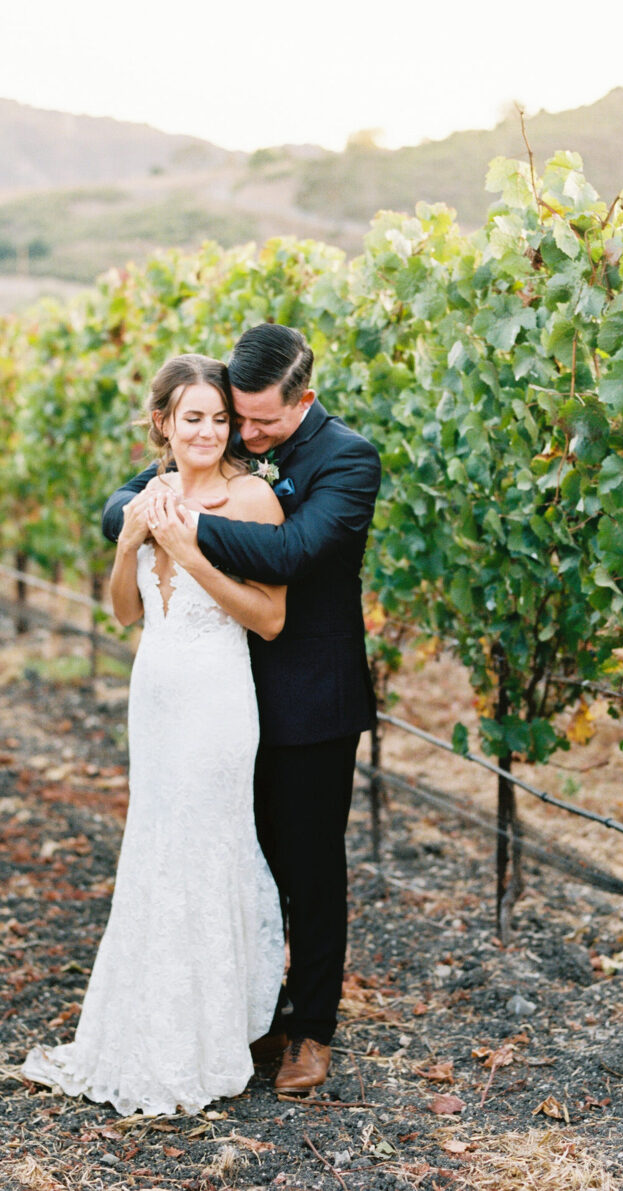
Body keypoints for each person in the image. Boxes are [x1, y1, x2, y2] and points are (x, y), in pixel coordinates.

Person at [102, 324, 381, 1093]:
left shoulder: (348, 460)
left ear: (305, 400)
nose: (245, 433)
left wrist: (179, 531)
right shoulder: (225, 447)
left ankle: (313, 1029)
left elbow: (290, 557)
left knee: (309, 865)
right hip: (213, 692)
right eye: (234, 417)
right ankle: (246, 1004)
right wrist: (136, 521)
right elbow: (124, 497)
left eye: (259, 422)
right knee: (230, 853)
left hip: (308, 696)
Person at [21, 354, 286, 1115]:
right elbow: (124, 613)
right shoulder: (147, 495)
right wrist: (126, 543)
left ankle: (210, 1037)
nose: (206, 430)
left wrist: (186, 550)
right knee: (154, 845)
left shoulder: (254, 501)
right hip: (156, 695)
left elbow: (268, 618)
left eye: (218, 418)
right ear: (163, 423)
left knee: (206, 846)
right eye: (191, 417)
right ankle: (142, 1026)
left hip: (217, 698)